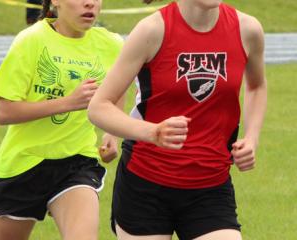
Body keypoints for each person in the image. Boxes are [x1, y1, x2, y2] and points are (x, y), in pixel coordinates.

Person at [88, 0, 267, 239]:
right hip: (145, 184)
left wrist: (252, 138)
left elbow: (256, 86)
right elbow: (99, 107)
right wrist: (153, 132)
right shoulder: (152, 30)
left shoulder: (248, 29)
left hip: (211, 184)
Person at [0, 0, 123, 239]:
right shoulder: (31, 40)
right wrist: (68, 102)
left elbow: (115, 91)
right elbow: (5, 113)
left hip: (77, 163)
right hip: (23, 165)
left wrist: (112, 134)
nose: (90, 3)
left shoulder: (111, 44)